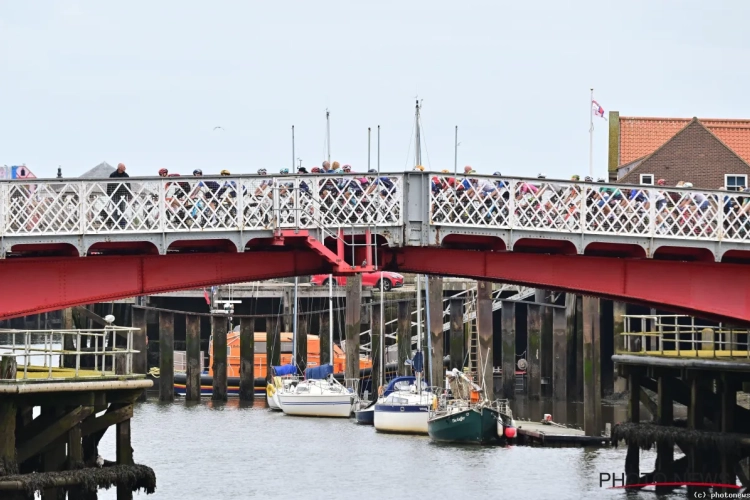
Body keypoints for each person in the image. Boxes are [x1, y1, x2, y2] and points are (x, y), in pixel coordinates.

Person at [107, 163, 131, 228]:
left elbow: (128, 185)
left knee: (122, 210)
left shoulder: (126, 175)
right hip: (115, 195)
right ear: (120, 167)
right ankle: (115, 225)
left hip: (123, 195)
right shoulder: (112, 175)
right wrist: (109, 194)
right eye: (124, 167)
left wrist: (129, 195)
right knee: (115, 210)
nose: (125, 168)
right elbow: (109, 185)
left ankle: (122, 225)